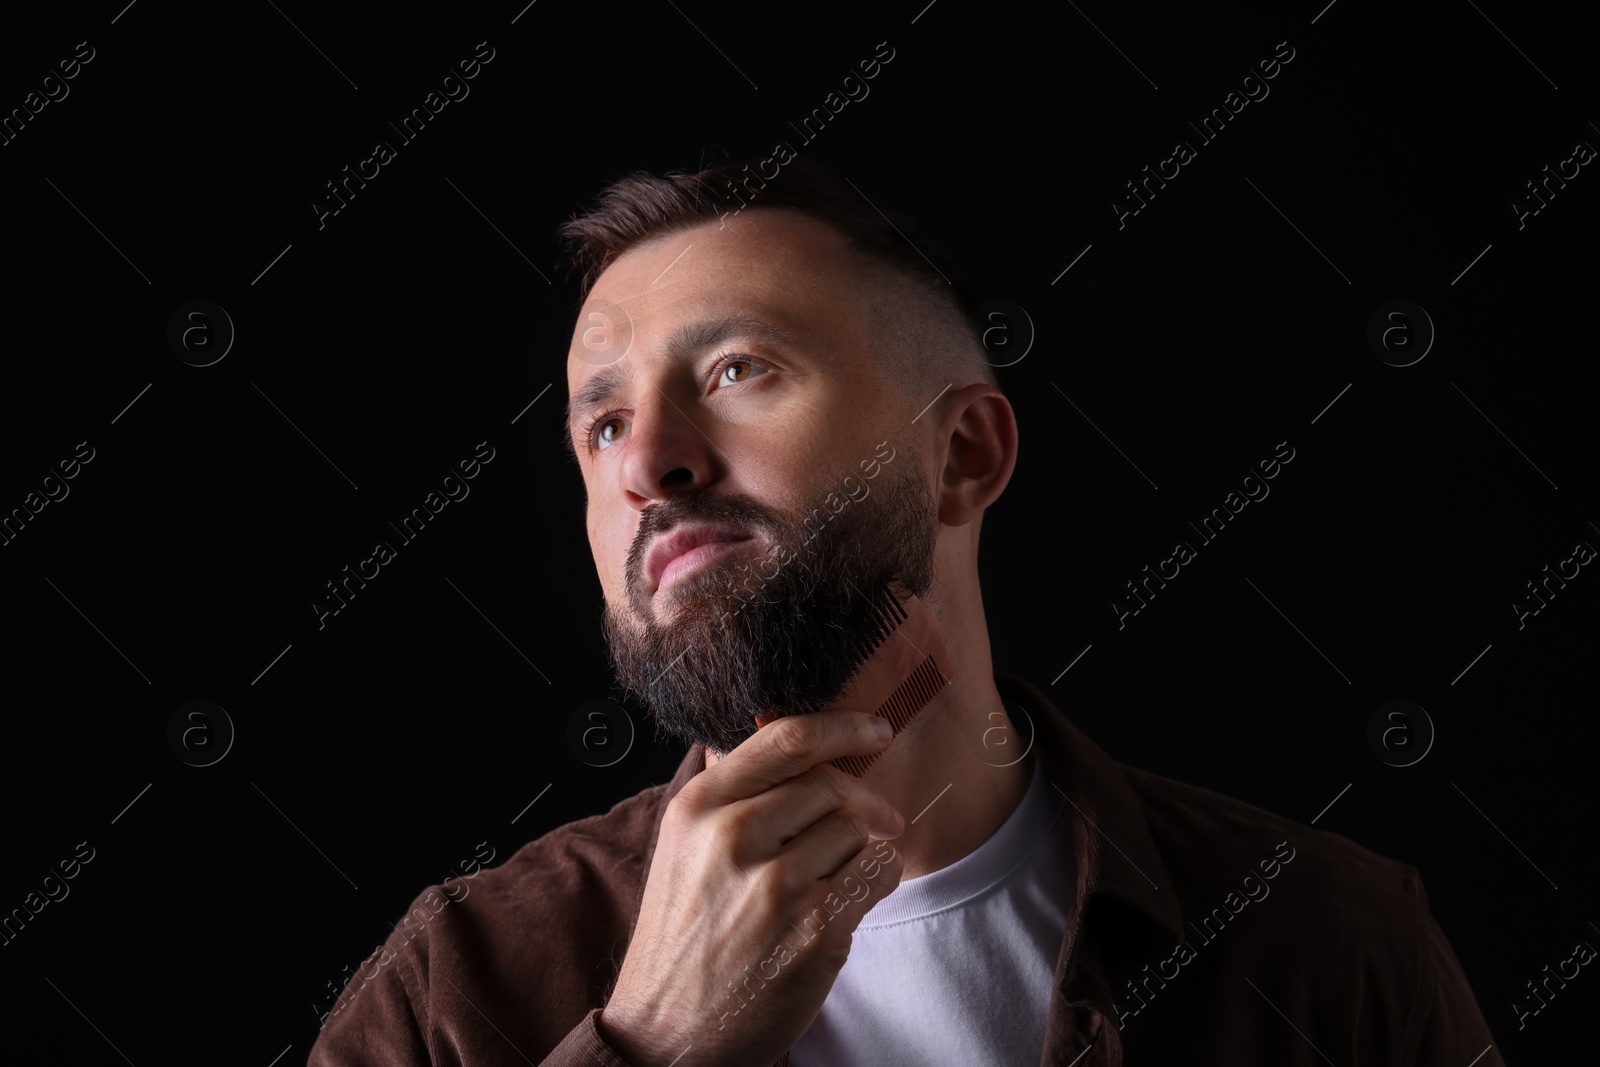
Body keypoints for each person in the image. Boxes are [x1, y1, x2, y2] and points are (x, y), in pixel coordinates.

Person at [307, 156, 1502, 1066]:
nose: (649, 463)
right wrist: (656, 1044)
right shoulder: (452, 988)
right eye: (603, 422)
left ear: (963, 455)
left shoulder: (1321, 938)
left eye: (737, 371)